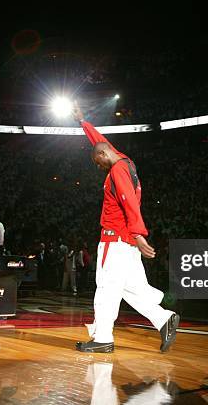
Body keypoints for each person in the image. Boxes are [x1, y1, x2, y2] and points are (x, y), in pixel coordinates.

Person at [72, 106, 179, 353]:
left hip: (115, 240)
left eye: (97, 164)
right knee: (131, 289)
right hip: (126, 244)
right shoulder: (124, 161)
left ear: (102, 157)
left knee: (107, 289)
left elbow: (128, 200)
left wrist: (139, 233)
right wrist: (83, 122)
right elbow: (100, 143)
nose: (98, 168)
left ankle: (102, 339)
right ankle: (164, 319)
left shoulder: (117, 171)